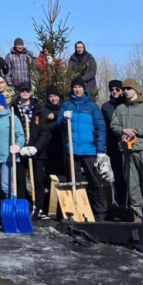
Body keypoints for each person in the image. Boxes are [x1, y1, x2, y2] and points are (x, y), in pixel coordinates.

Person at [58, 77, 108, 220]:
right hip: (72, 149)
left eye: (79, 87)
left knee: (94, 181)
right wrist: (63, 120)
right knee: (75, 182)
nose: (77, 89)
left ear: (84, 89)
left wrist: (100, 150)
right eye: (75, 87)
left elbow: (101, 128)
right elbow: (60, 126)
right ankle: (79, 211)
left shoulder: (92, 107)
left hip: (89, 149)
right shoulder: (67, 105)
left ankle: (100, 213)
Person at [111, 79, 143, 222]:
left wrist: (136, 131)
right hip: (126, 151)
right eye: (124, 88)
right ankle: (137, 212)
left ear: (135, 90)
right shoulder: (120, 109)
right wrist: (123, 130)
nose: (125, 91)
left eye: (128, 88)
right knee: (132, 183)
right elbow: (114, 126)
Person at [0, 94, 25, 200]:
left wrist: (18, 145)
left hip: (8, 156)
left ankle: (13, 206)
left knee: (6, 186)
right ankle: (7, 207)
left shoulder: (12, 118)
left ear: (4, 105)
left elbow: (20, 135)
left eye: (0, 105)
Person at [102, 80, 127, 205]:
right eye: (112, 90)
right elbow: (104, 127)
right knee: (118, 176)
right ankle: (121, 202)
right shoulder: (106, 107)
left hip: (129, 145)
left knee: (130, 175)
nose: (115, 92)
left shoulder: (127, 104)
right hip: (113, 146)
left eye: (117, 89)